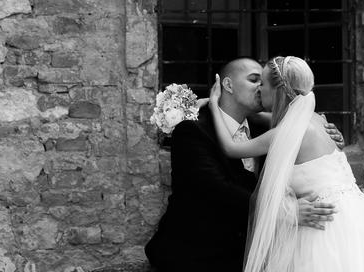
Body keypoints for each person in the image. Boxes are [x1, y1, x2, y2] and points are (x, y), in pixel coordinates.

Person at [208, 56, 364, 272]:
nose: (259, 89)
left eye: (263, 84)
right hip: (358, 217)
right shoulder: (317, 120)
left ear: (278, 90)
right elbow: (260, 115)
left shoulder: (287, 133)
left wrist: (214, 104)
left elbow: (231, 148)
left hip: (324, 227)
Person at [145, 58, 344, 272]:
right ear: (228, 85)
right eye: (254, 80)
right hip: (198, 254)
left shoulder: (271, 128)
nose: (261, 87)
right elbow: (216, 189)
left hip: (251, 253)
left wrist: (329, 137)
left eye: (263, 82)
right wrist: (283, 212)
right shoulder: (193, 130)